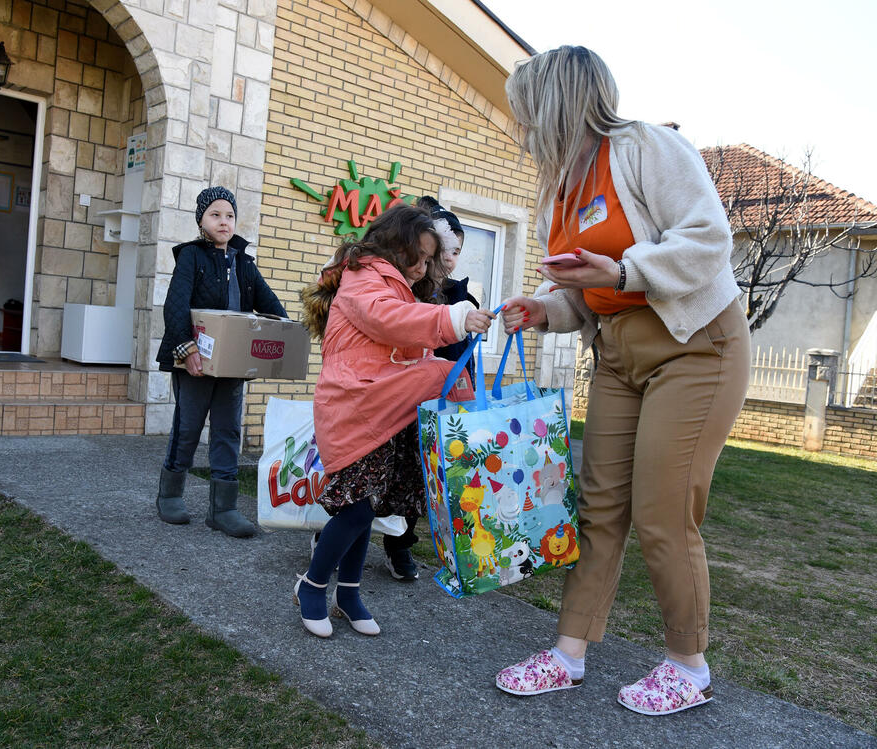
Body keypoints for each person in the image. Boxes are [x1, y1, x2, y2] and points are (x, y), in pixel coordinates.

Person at [494, 46, 751, 716]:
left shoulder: (646, 147)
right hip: (618, 354)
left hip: (695, 347)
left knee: (664, 511)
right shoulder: (559, 192)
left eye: (526, 110)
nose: (521, 125)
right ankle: (568, 654)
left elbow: (707, 239)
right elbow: (578, 293)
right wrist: (542, 309)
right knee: (598, 509)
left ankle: (689, 665)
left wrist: (622, 271)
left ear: (558, 103)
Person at [296, 204, 495, 638]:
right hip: (355, 409)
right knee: (355, 509)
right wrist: (454, 318)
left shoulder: (390, 283)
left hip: (379, 407)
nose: (422, 267)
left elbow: (401, 344)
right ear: (395, 245)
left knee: (365, 508)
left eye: (428, 260)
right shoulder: (364, 278)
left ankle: (349, 593)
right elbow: (390, 320)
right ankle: (312, 585)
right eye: (418, 257)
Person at [154, 186, 287, 537]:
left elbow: (270, 305)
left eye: (229, 215)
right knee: (188, 428)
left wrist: (284, 330)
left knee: (228, 432)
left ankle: (223, 509)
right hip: (195, 362)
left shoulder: (244, 263)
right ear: (201, 220)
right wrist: (187, 349)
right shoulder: (191, 257)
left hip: (231, 366)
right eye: (215, 215)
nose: (223, 221)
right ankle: (170, 495)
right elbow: (176, 305)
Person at [377, 195, 479, 582]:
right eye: (443, 250)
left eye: (456, 251)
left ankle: (399, 544)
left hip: (432, 403)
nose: (449, 259)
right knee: (372, 474)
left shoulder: (460, 297)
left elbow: (463, 358)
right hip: (391, 396)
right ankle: (333, 534)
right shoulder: (400, 287)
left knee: (416, 478)